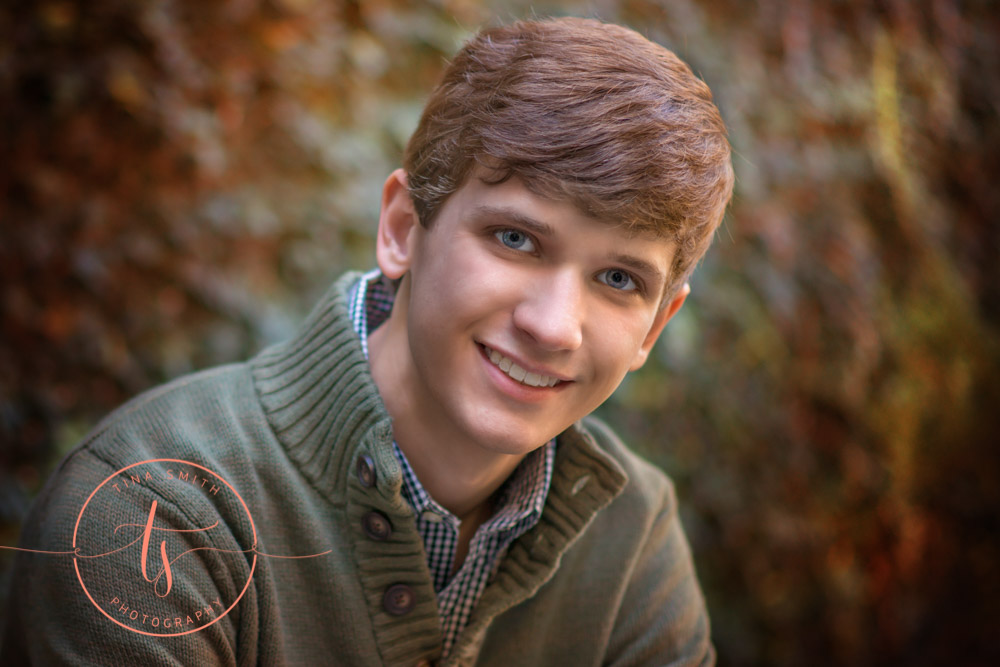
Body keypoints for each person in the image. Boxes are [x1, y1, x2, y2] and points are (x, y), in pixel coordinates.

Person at [1, 16, 733, 666]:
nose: (552, 324)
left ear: (657, 325)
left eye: (617, 279)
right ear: (403, 229)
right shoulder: (150, 513)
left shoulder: (632, 532)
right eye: (516, 238)